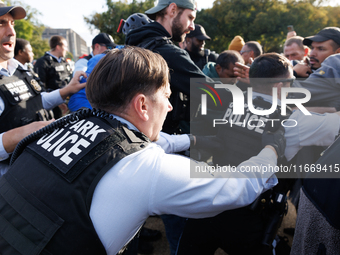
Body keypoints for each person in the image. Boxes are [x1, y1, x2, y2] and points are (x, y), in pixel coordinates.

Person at [0, 46, 284, 255]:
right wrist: (270, 149)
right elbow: (238, 188)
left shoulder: (60, 124)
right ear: (142, 105)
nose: (170, 107)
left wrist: (193, 140)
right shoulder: (144, 166)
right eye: (167, 97)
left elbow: (129, 144)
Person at [177, 53, 340, 255]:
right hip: (248, 220)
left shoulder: (233, 104)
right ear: (280, 86)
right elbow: (335, 126)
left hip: (207, 206)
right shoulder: (294, 121)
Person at [125, 1, 222, 251]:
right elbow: (211, 92)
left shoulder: (135, 46)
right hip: (166, 148)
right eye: (190, 17)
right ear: (172, 10)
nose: (192, 26)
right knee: (183, 226)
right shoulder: (164, 51)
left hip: (134, 147)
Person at [0, 2, 87, 177]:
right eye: (1, 23)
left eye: (12, 24)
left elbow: (36, 101)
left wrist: (67, 90)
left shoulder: (19, 69)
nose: (11, 32)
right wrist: (28, 132)